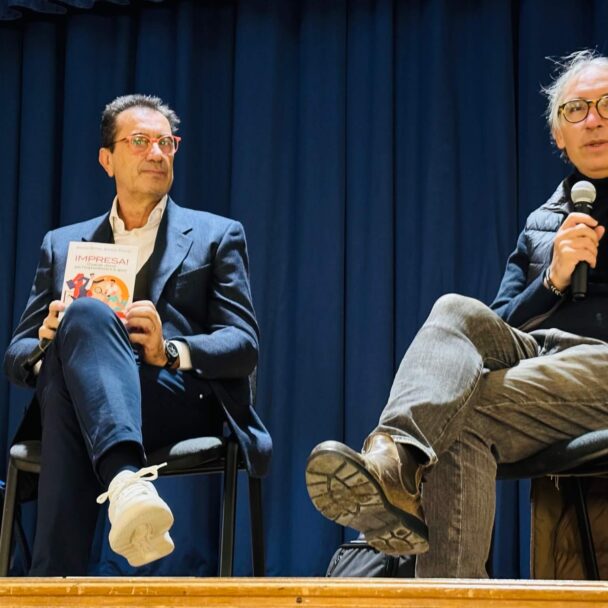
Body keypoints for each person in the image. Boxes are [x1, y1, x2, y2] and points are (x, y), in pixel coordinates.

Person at [305, 49, 608, 578]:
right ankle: (396, 459)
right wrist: (552, 280)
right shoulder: (545, 222)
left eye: (607, 105)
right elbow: (498, 324)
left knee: (453, 411)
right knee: (454, 317)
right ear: (559, 136)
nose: (593, 120)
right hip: (543, 358)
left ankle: (399, 471)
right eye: (576, 110)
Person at [3, 94, 271, 576]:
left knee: (67, 384)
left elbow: (244, 345)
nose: (157, 153)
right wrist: (47, 342)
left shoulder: (216, 235)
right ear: (107, 160)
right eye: (141, 141)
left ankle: (50, 587)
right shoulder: (62, 245)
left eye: (167, 143)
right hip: (80, 400)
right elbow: (17, 356)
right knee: (78, 332)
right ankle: (126, 482)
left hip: (171, 398)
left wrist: (168, 349)